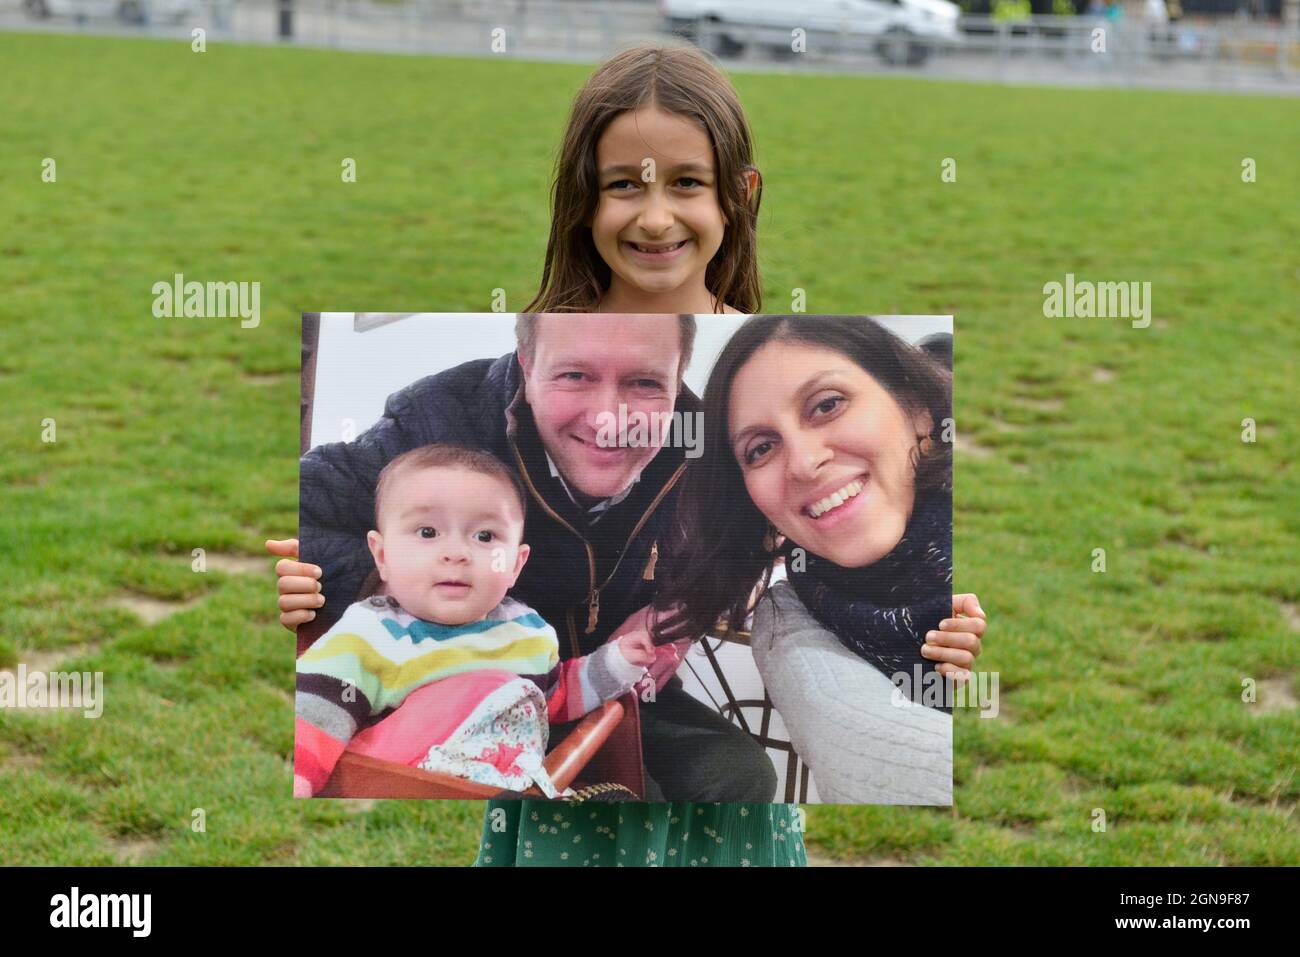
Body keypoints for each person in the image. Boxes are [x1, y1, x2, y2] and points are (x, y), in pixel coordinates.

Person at [269, 43, 978, 867]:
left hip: (605, 679)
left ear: (681, 380)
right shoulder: (442, 413)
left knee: (736, 770)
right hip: (458, 673)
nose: (609, 420)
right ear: (525, 364)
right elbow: (303, 515)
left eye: (644, 384)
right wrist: (411, 597)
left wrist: (674, 624)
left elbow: (766, 537)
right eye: (574, 375)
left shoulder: (718, 446)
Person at [650, 316, 986, 805]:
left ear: (917, 409)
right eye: (761, 448)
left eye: (827, 405)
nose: (805, 463)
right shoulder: (792, 616)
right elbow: (874, 749)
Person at [293, 444, 655, 800]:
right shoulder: (368, 635)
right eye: (427, 532)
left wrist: (617, 662)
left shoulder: (526, 630)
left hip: (518, 791)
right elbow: (311, 721)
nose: (456, 553)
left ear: (515, 564)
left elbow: (554, 698)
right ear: (383, 555)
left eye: (484, 536)